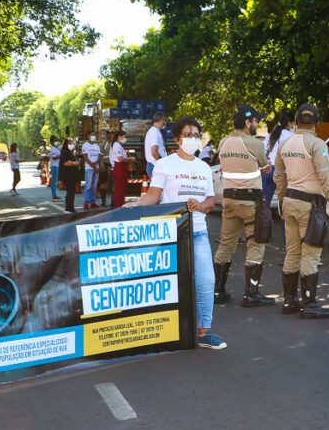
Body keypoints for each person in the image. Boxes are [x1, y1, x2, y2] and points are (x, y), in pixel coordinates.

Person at [133, 117, 226, 349]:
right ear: (177, 139)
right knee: (166, 285)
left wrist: (202, 206)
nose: (193, 138)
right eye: (188, 134)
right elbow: (152, 197)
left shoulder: (204, 167)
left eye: (197, 134)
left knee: (206, 280)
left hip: (198, 233)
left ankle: (203, 333)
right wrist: (132, 206)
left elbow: (211, 199)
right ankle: (159, 332)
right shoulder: (165, 164)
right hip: (170, 234)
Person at [275, 103, 329, 318]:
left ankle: (289, 302)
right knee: (311, 253)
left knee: (292, 251)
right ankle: (309, 305)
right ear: (317, 123)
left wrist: (281, 201)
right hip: (310, 206)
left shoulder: (284, 144)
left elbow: (279, 176)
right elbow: (326, 177)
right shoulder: (317, 144)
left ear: (295, 121)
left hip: (290, 201)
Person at [213, 104, 274, 307]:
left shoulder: (223, 142)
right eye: (256, 121)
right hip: (250, 202)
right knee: (255, 244)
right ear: (247, 122)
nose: (257, 124)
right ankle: (252, 294)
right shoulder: (254, 144)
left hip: (229, 200)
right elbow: (266, 167)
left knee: (226, 245)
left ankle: (217, 290)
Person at [263, 110, 294, 209]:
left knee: (263, 206)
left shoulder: (270, 135)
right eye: (293, 123)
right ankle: (284, 224)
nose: (293, 126)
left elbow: (264, 150)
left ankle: (260, 224)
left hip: (268, 170)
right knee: (284, 206)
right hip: (282, 172)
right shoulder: (291, 136)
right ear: (289, 124)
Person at [59, 130, 82, 213]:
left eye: (72, 143)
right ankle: (69, 208)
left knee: (72, 191)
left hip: (72, 175)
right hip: (67, 175)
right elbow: (65, 163)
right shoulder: (65, 153)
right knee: (70, 191)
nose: (71, 145)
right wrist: (74, 163)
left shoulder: (71, 153)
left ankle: (71, 207)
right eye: (70, 143)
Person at [109, 130, 130, 207]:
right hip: (119, 167)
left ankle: (120, 203)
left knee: (122, 188)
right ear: (120, 137)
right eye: (124, 137)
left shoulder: (119, 145)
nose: (125, 139)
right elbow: (120, 158)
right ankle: (118, 204)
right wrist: (130, 159)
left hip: (122, 168)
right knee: (119, 188)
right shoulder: (116, 145)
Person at [81, 132, 102, 209]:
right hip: (89, 168)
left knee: (94, 186)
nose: (93, 136)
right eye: (91, 135)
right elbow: (85, 157)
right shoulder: (85, 145)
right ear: (88, 136)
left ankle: (93, 202)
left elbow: (99, 157)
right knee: (88, 185)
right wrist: (93, 166)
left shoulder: (97, 146)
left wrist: (96, 164)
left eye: (94, 135)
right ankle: (86, 202)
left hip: (96, 168)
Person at [144, 112, 167, 180]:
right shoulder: (155, 132)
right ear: (162, 120)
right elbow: (154, 152)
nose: (164, 123)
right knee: (159, 189)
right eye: (164, 120)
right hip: (155, 166)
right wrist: (161, 164)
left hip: (154, 165)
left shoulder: (153, 131)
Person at [48, 136, 62, 201]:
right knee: (54, 181)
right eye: (55, 140)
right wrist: (60, 156)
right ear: (52, 142)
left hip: (57, 166)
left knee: (55, 181)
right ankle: (54, 195)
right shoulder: (53, 149)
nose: (57, 142)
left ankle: (55, 195)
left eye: (57, 140)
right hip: (54, 166)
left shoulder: (56, 148)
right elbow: (54, 157)